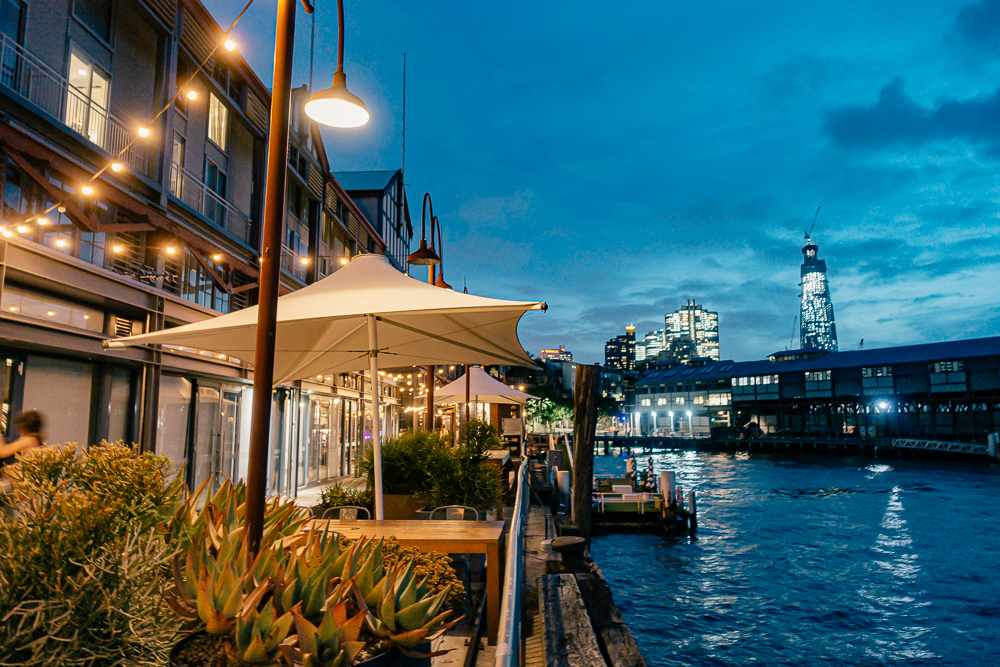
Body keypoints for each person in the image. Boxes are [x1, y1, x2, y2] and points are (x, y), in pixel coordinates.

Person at [0, 410, 46, 501]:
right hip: (18, 485)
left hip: (15, 484)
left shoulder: (29, 440)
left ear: (24, 426)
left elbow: (2, 452)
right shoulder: (36, 441)